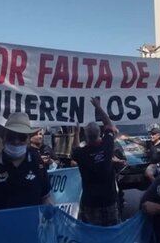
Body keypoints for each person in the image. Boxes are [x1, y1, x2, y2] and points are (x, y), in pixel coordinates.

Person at [71, 97, 120, 226]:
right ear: (100, 133)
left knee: (91, 234)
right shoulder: (107, 145)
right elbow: (109, 125)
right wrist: (98, 107)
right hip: (109, 201)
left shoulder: (82, 153)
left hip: (90, 203)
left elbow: (74, 150)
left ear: (85, 137)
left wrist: (76, 132)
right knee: (111, 233)